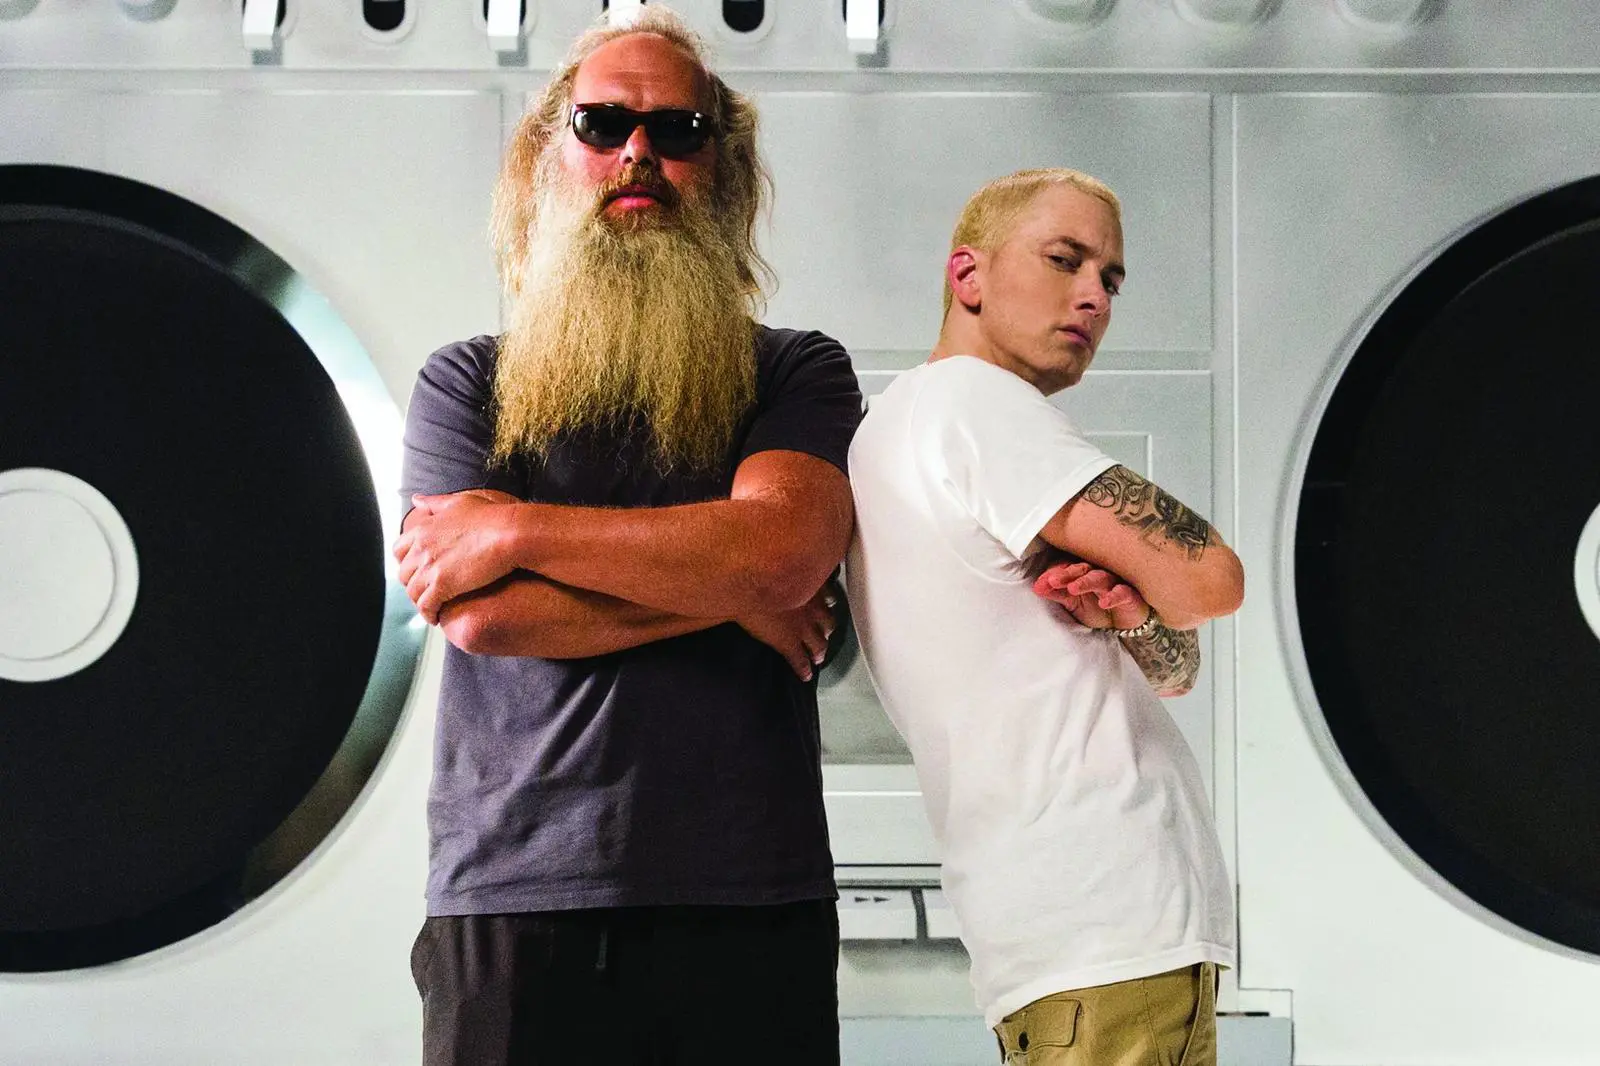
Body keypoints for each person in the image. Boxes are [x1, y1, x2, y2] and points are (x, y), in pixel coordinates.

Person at [390, 8, 861, 1064]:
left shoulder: (795, 370)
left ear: (722, 170)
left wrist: (515, 525)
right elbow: (485, 617)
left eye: (677, 130)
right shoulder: (466, 381)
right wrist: (732, 595)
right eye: (602, 124)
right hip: (511, 902)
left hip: (751, 901)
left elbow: (784, 551)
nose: (637, 152)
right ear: (548, 156)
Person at [845, 168, 1245, 1065]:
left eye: (1111, 280)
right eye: (1065, 260)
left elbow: (1176, 671)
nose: (1094, 298)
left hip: (1067, 943)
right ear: (968, 276)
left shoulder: (903, 422)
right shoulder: (976, 403)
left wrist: (1128, 614)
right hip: (1110, 923)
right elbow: (1214, 579)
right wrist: (1164, 589)